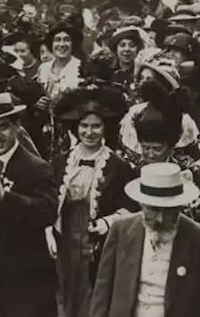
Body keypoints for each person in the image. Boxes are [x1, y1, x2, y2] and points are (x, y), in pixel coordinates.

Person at [0, 91, 58, 317]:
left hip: (26, 281)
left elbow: (46, 212)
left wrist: (6, 198)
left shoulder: (37, 167)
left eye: (3, 127)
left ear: (16, 126)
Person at [87, 162, 200, 317]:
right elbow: (102, 293)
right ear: (141, 203)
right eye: (153, 209)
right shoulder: (120, 231)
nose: (160, 219)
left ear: (180, 206)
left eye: (168, 211)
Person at [49, 88, 135, 317]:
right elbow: (49, 199)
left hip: (96, 243)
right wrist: (49, 228)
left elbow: (131, 208)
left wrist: (107, 223)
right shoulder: (62, 161)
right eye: (84, 126)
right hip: (64, 239)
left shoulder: (118, 166)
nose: (89, 132)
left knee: (93, 293)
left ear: (105, 127)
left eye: (95, 126)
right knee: (63, 292)